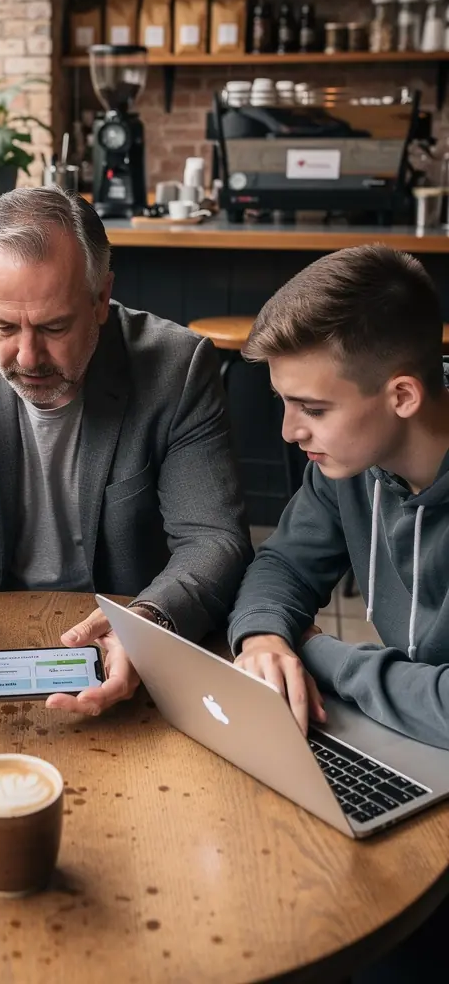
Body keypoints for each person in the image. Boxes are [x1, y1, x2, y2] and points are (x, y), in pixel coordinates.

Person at [0, 186, 251, 717]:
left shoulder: (175, 367)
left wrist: (147, 621)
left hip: (121, 637)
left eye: (54, 327)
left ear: (101, 299)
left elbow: (214, 538)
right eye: (2, 326)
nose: (27, 357)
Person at [227, 245, 449, 984]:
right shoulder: (348, 468)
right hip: (409, 747)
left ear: (403, 396)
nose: (290, 432)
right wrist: (264, 636)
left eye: (312, 408)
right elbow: (282, 565)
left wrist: (319, 654)